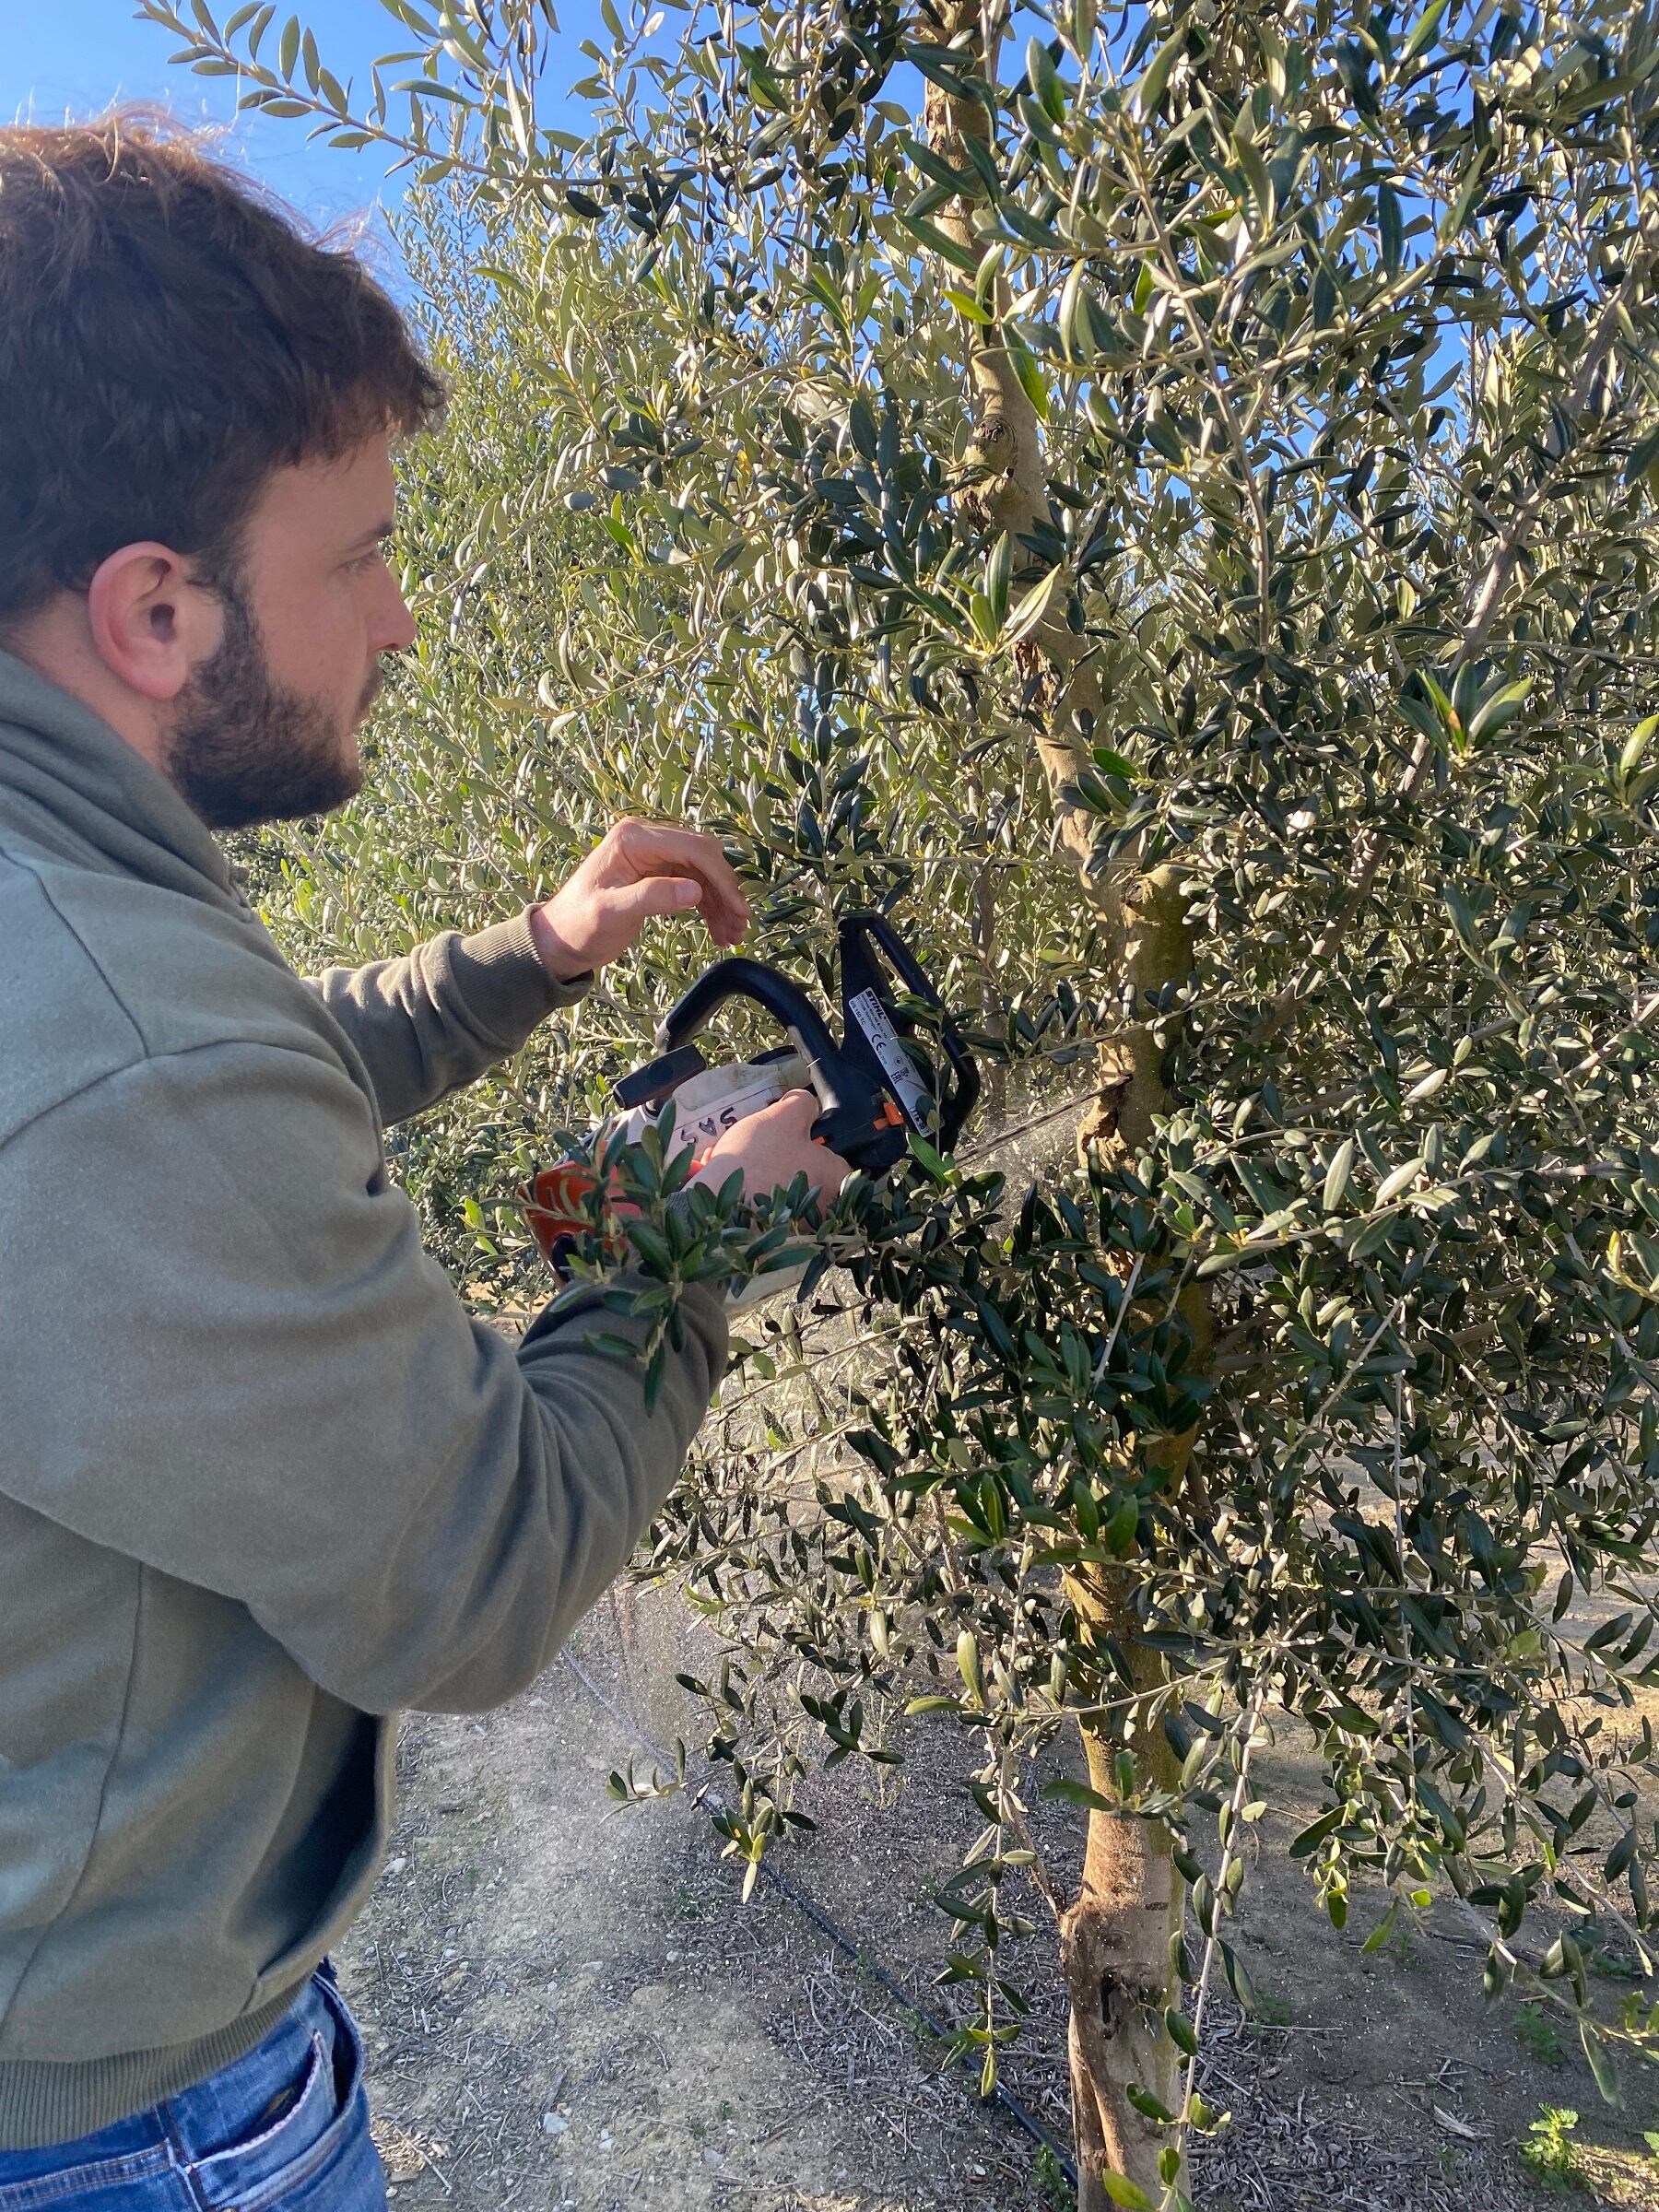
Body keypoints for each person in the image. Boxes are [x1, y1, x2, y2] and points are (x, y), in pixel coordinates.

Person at [0, 114, 847, 2209]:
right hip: (126, 2136)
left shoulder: (64, 914)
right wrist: (682, 1241)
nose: (396, 624)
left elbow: (208, 1099)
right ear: (156, 610)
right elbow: (474, 1571)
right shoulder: (119, 1040)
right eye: (358, 554)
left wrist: (534, 957)